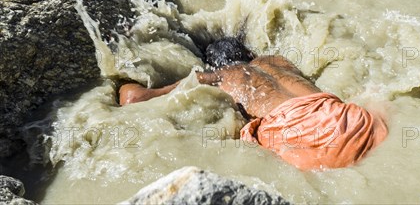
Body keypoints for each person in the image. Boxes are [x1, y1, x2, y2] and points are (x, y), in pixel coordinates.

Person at [119, 37, 388, 170]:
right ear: (249, 53)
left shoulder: (223, 76)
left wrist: (114, 83)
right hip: (349, 119)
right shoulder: (277, 61)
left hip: (299, 130)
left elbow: (134, 98)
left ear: (216, 64)